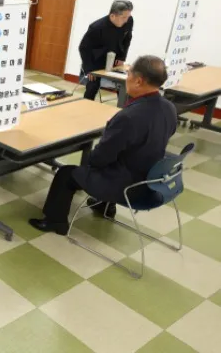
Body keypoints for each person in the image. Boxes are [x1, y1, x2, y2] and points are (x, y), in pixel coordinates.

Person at [29, 55, 177, 235]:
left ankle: (55, 222)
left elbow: (100, 158)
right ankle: (104, 206)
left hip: (127, 186)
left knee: (66, 174)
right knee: (125, 157)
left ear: (139, 81)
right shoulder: (169, 108)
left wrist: (90, 161)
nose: (127, 78)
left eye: (129, 74)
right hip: (150, 180)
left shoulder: (129, 117)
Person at [79, 0, 134, 101]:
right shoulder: (96, 27)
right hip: (97, 60)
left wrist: (122, 57)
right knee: (92, 85)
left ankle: (125, 107)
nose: (126, 20)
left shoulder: (129, 20)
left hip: (115, 58)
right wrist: (89, 69)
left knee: (124, 84)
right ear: (112, 15)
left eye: (128, 16)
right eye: (123, 17)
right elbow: (84, 48)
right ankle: (86, 104)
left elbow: (127, 38)